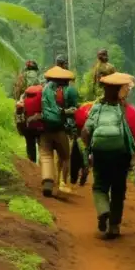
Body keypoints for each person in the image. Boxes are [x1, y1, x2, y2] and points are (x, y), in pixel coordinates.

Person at [81, 71, 135, 239]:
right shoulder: (128, 110)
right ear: (122, 90)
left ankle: (103, 211)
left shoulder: (97, 108)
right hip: (120, 154)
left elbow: (86, 131)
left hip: (100, 153)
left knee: (100, 185)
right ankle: (114, 226)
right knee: (118, 188)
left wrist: (89, 148)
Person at [38, 64, 79, 197]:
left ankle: (48, 181)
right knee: (65, 156)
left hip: (45, 128)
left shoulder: (44, 89)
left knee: (46, 155)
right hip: (61, 129)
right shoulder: (70, 90)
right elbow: (74, 109)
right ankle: (62, 182)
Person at [13, 60, 42, 163]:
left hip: (24, 104)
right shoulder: (39, 77)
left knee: (29, 141)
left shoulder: (20, 77)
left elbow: (16, 91)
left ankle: (32, 162)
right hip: (37, 106)